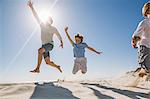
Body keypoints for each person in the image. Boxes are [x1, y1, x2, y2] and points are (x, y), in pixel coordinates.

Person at [28, 1, 63, 73]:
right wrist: (32, 8)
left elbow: (58, 35)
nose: (47, 21)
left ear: (51, 22)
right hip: (44, 45)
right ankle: (57, 66)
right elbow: (36, 16)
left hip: (50, 45)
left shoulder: (53, 28)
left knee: (40, 51)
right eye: (47, 20)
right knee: (47, 62)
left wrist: (61, 41)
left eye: (49, 21)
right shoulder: (42, 25)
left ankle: (37, 69)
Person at [132, 2, 150, 77]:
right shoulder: (144, 22)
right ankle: (138, 75)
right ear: (148, 11)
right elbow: (137, 34)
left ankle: (141, 75)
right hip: (144, 47)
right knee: (147, 66)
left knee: (147, 69)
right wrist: (134, 42)